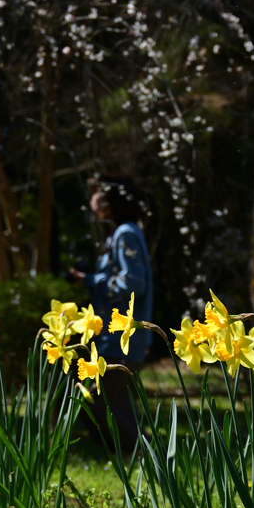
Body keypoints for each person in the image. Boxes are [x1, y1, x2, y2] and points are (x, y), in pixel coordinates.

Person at [69, 174, 152, 451]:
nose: (92, 199)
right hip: (116, 338)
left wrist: (93, 281)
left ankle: (143, 454)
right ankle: (134, 457)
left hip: (121, 339)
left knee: (97, 400)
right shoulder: (122, 232)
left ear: (108, 200)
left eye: (96, 192)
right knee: (113, 401)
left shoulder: (125, 233)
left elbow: (134, 282)